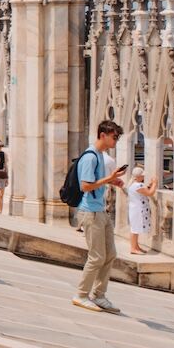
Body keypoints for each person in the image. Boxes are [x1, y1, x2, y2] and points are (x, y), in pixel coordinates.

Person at [71, 119, 125, 313]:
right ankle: (81, 295)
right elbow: (85, 186)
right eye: (114, 137)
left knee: (110, 254)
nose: (116, 141)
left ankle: (99, 295)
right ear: (103, 135)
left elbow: (96, 183)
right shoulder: (91, 157)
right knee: (96, 257)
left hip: (100, 210)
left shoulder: (101, 156)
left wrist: (112, 182)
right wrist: (109, 179)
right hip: (90, 212)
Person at [126, 165, 156, 255]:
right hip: (138, 210)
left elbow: (145, 190)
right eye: (142, 175)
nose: (143, 177)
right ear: (138, 176)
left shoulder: (132, 184)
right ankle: (133, 248)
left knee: (135, 228)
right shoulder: (138, 185)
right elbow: (150, 193)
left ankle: (136, 246)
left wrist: (151, 185)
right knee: (135, 229)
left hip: (134, 209)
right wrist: (155, 183)